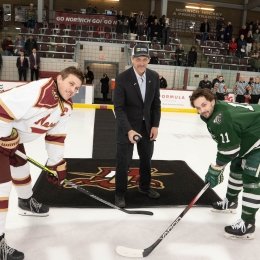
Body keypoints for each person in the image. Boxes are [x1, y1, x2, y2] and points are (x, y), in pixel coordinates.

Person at [0, 66, 84, 259]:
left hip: (11, 136)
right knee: (2, 186)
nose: (73, 90)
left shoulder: (66, 106)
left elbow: (55, 137)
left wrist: (56, 165)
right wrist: (3, 137)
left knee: (21, 166)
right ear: (59, 78)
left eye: (77, 88)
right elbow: (1, 106)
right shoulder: (38, 91)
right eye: (71, 83)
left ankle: (26, 201)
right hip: (3, 132)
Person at [190, 88, 260, 240]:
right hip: (250, 136)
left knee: (251, 178)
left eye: (204, 105)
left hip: (258, 140)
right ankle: (231, 202)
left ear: (213, 101)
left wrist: (216, 168)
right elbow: (230, 146)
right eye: (198, 107)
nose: (202, 110)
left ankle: (248, 224)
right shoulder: (216, 111)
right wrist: (219, 167)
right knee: (236, 167)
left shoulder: (220, 118)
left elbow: (229, 150)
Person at [113, 44, 161, 208]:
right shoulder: (122, 78)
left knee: (146, 160)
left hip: (147, 127)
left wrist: (155, 125)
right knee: (123, 162)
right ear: (132, 59)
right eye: (138, 59)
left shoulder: (154, 77)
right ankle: (120, 193)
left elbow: (156, 104)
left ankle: (144, 187)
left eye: (144, 59)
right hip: (127, 127)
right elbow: (118, 108)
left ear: (148, 60)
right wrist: (128, 129)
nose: (141, 63)